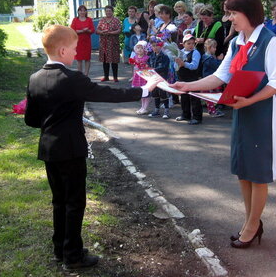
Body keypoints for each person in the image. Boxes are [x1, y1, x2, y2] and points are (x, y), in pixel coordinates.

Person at [24, 25, 160, 270]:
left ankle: (61, 248)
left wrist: (52, 119)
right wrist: (143, 90)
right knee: (75, 202)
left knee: (59, 201)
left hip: (49, 150)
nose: (76, 54)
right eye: (74, 49)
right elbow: (107, 94)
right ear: (63, 50)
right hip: (71, 150)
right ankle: (73, 256)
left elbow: (31, 120)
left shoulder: (35, 79)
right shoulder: (72, 79)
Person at [171, 0, 276, 249]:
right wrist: (187, 86)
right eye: (228, 13)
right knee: (243, 171)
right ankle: (250, 221)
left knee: (258, 174)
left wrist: (249, 101)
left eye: (233, 13)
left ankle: (253, 225)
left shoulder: (271, 41)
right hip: (242, 111)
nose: (229, 18)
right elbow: (221, 77)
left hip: (261, 114)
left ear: (249, 13)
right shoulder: (236, 43)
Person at [175, 34, 203, 124]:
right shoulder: (180, 52)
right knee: (184, 98)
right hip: (182, 78)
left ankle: (197, 117)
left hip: (192, 78)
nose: (191, 45)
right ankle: (185, 114)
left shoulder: (195, 53)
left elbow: (194, 66)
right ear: (183, 44)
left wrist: (184, 64)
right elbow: (175, 65)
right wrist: (177, 64)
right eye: (188, 43)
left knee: (194, 98)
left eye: (192, 43)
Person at [97, 5, 121, 82]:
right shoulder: (102, 20)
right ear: (105, 12)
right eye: (107, 11)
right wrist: (102, 32)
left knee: (114, 61)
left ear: (112, 12)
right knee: (105, 61)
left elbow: (119, 30)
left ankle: (115, 77)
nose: (108, 12)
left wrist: (111, 33)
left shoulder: (116, 20)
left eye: (110, 11)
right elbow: (97, 30)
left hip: (113, 43)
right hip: (104, 44)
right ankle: (106, 76)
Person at [148, 36, 171, 119]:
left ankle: (166, 110)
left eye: (157, 45)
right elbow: (148, 65)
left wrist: (154, 70)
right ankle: (156, 110)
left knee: (163, 94)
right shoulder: (151, 56)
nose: (155, 47)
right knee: (155, 94)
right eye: (153, 45)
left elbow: (165, 67)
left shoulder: (165, 57)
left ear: (161, 46)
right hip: (153, 78)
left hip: (162, 78)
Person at [201, 38, 224, 118]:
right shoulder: (208, 58)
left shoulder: (207, 57)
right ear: (209, 48)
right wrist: (220, 60)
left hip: (209, 79)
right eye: (214, 47)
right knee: (210, 96)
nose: (215, 49)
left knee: (211, 96)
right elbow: (217, 66)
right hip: (209, 80)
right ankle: (212, 111)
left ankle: (213, 110)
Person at [70, 5, 95, 75]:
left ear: (86, 11)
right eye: (81, 10)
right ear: (78, 11)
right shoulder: (75, 20)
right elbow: (72, 30)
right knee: (79, 60)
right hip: (78, 42)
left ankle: (86, 74)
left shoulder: (89, 19)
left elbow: (92, 30)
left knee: (87, 59)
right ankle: (80, 75)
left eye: (84, 10)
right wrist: (82, 31)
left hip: (87, 42)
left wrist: (88, 30)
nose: (82, 12)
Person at [130, 41, 150, 114]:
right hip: (138, 77)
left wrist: (144, 66)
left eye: (141, 48)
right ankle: (142, 107)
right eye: (138, 48)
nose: (139, 49)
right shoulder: (135, 57)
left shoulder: (147, 57)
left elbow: (148, 67)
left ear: (144, 49)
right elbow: (134, 67)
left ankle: (145, 107)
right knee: (141, 93)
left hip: (144, 77)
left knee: (146, 92)